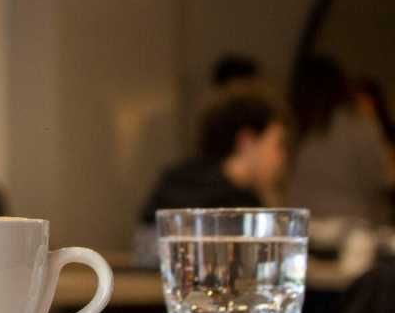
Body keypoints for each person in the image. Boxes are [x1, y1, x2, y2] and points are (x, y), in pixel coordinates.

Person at [139, 96, 287, 226]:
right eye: (278, 144)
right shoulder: (238, 207)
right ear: (246, 142)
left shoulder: (174, 179)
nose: (282, 157)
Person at [287, 56, 394, 224]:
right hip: (352, 226)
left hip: (302, 223)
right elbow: (382, 177)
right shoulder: (356, 123)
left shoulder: (294, 125)